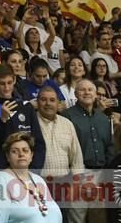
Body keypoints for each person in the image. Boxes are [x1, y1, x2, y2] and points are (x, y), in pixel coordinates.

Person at [0, 64, 46, 171]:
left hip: (28, 170)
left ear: (14, 80)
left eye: (9, 82)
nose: (6, 88)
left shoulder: (26, 107)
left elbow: (39, 143)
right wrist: (3, 120)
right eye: (2, 83)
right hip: (3, 171)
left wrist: (35, 170)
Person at [0, 132, 62, 223]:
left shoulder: (38, 179)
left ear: (31, 156)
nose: (21, 154)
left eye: (25, 150)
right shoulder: (1, 181)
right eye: (15, 151)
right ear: (7, 157)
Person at [35, 86, 85, 223]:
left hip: (64, 183)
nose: (48, 103)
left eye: (52, 100)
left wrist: (75, 184)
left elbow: (76, 157)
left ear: (58, 103)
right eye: (43, 100)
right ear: (37, 102)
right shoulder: (31, 123)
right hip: (39, 184)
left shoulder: (67, 124)